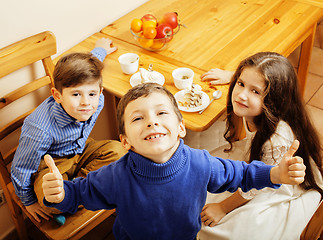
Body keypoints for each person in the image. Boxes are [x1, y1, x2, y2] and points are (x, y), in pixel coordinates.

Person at [42, 83, 306, 240]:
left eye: (161, 113)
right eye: (137, 118)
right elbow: (78, 193)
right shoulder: (115, 176)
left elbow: (241, 174)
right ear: (125, 141)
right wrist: (59, 194)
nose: (151, 121)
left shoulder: (201, 163)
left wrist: (274, 175)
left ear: (181, 128)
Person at [192, 52, 323, 240]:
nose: (241, 95)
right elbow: (251, 82)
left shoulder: (275, 140)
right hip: (261, 161)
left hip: (273, 181)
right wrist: (234, 77)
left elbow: (257, 186)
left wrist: (222, 207)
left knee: (214, 226)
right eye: (241, 83)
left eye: (255, 91)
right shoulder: (262, 108)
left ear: (274, 99)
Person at [11, 38, 127, 224]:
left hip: (81, 150)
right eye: (75, 94)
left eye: (92, 94)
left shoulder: (97, 101)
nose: (86, 103)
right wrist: (28, 202)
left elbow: (90, 67)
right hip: (51, 163)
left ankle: (73, 191)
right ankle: (70, 195)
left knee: (120, 152)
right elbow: (21, 168)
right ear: (57, 95)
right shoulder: (40, 129)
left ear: (99, 90)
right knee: (51, 202)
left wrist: (100, 50)